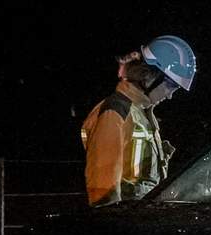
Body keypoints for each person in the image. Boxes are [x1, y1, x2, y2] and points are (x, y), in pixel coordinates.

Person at [81, 35, 196, 205]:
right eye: (170, 86)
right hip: (128, 221)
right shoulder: (116, 111)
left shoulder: (142, 112)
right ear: (148, 75)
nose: (170, 95)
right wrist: (114, 224)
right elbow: (103, 188)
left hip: (142, 217)